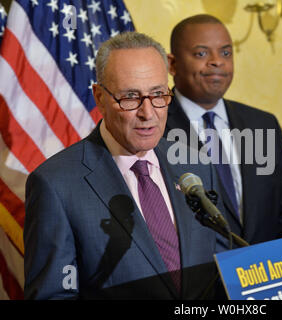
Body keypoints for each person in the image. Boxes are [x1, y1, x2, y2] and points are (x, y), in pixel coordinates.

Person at [24, 32, 228, 299]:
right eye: (130, 97)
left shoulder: (197, 165)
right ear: (99, 97)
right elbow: (53, 296)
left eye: (158, 94)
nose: (148, 113)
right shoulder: (56, 184)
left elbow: (223, 271)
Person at [164, 14, 282, 245]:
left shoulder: (262, 125)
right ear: (172, 64)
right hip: (198, 278)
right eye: (201, 53)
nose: (217, 61)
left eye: (225, 52)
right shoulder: (155, 128)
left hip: (268, 273)